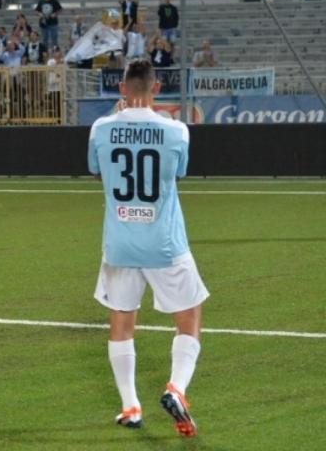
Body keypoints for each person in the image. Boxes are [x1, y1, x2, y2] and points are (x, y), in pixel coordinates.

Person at [88, 59, 208, 439]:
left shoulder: (101, 128)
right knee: (189, 315)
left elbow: (96, 168)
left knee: (122, 322)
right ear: (157, 89)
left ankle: (130, 406)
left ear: (122, 89)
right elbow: (180, 172)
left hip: (120, 244)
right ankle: (176, 388)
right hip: (164, 242)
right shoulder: (177, 131)